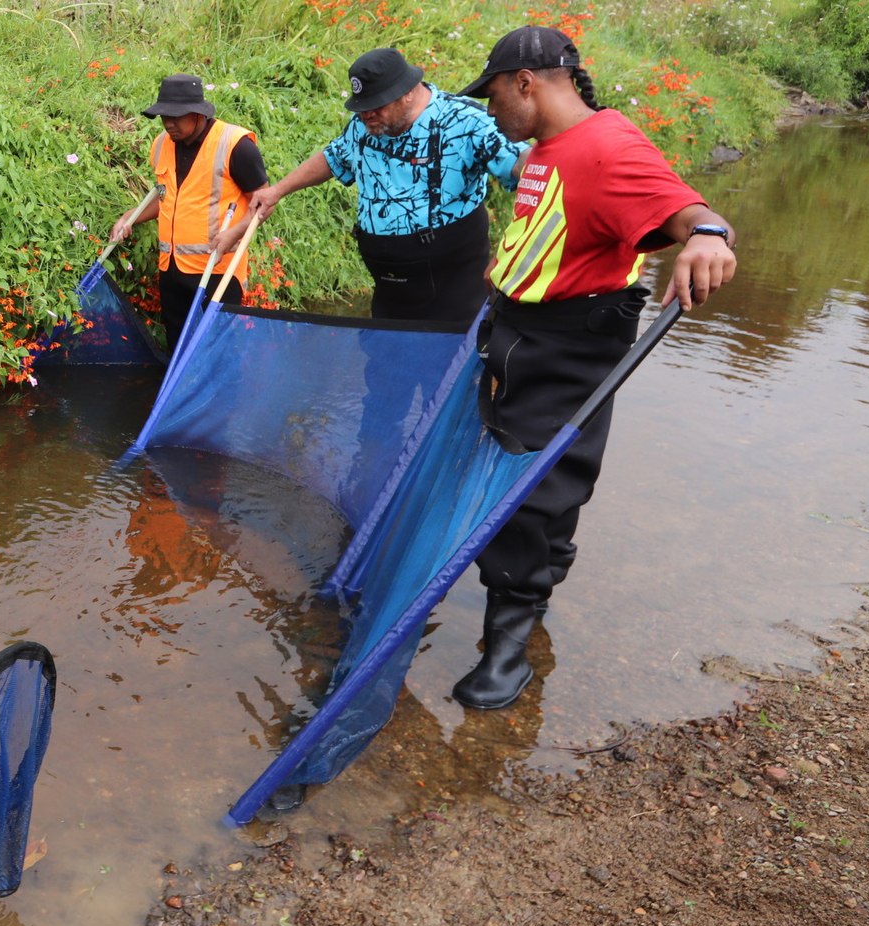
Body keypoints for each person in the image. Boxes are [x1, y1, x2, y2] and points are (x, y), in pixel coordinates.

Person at [453, 26, 737, 709]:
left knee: (522, 488)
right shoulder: (546, 148)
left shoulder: (607, 146)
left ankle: (507, 648)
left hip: (566, 342)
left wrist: (706, 235)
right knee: (543, 473)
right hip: (520, 330)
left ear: (525, 83)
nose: (490, 110)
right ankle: (543, 577)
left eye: (493, 94)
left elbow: (683, 209)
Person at [251, 48, 524, 326]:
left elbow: (529, 171)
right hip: (389, 283)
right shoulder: (365, 124)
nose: (366, 114)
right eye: (361, 106)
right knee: (385, 361)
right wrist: (277, 190)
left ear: (408, 91)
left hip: (453, 284)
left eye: (376, 105)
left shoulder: (466, 121)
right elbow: (333, 158)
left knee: (451, 361)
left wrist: (514, 249)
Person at [108, 73, 268, 351]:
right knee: (177, 350)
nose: (169, 123)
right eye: (163, 117)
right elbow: (164, 197)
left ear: (198, 114)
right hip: (171, 269)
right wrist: (129, 217)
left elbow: (264, 203)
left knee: (219, 352)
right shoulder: (161, 144)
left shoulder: (235, 145)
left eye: (176, 117)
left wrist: (234, 234)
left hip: (217, 270)